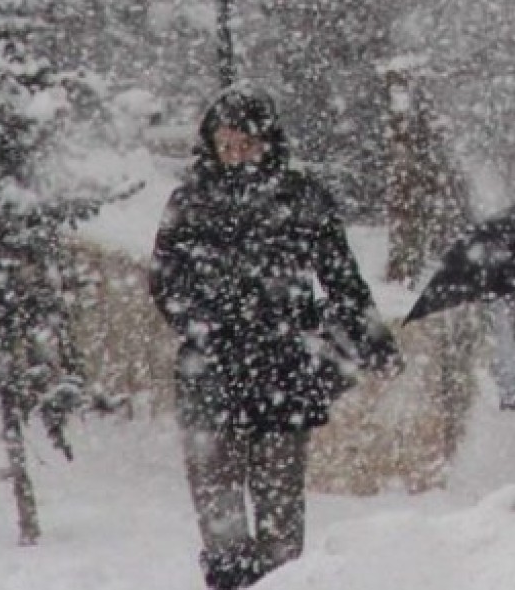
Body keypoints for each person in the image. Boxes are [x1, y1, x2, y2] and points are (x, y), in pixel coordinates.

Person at [149, 85, 399, 590]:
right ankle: (228, 579)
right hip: (212, 368)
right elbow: (165, 280)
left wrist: (373, 340)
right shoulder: (191, 201)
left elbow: (342, 279)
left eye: (246, 143)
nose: (236, 154)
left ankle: (279, 580)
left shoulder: (301, 198)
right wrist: (204, 325)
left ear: (267, 142)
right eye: (226, 144)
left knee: (280, 497)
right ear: (211, 144)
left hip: (282, 365)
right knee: (216, 493)